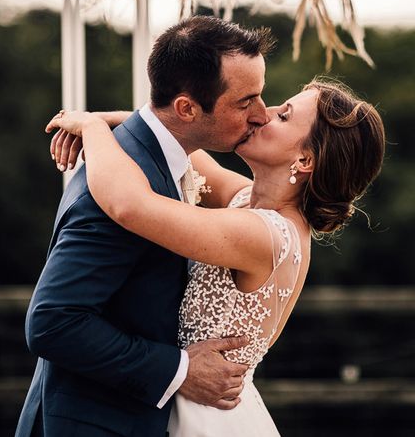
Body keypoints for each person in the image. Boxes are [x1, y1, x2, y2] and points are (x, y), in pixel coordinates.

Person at [43, 76, 385, 436]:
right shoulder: (248, 200)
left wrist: (92, 128)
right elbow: (169, 139)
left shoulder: (266, 236)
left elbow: (128, 205)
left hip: (204, 416)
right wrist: (101, 118)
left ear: (304, 159)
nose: (262, 114)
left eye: (283, 117)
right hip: (179, 402)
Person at [16, 16, 276, 437]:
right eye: (246, 102)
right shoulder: (118, 183)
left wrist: (96, 124)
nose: (261, 116)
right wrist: (180, 370)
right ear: (187, 108)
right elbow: (52, 322)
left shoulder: (160, 161)